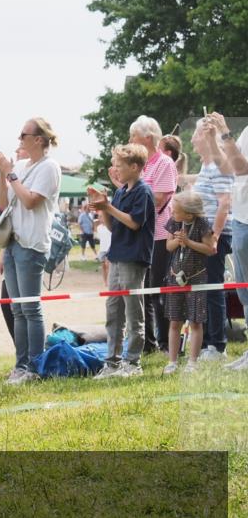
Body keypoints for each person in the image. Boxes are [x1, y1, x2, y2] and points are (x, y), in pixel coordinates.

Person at [0, 118, 62, 383]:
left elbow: (31, 201)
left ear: (39, 139)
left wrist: (10, 174)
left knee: (31, 308)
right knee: (17, 309)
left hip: (32, 244)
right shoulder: (19, 166)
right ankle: (21, 365)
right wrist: (2, 173)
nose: (19, 139)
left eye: (24, 134)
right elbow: (3, 203)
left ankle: (35, 366)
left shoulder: (50, 167)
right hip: (12, 242)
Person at [89, 144, 155, 379]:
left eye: (119, 165)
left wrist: (109, 207)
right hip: (116, 256)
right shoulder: (120, 192)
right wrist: (102, 209)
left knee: (133, 312)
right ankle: (112, 362)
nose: (115, 169)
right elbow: (112, 226)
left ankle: (133, 362)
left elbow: (135, 223)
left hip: (134, 258)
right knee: (113, 311)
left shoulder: (144, 192)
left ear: (135, 167)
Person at [123, 116, 176, 353]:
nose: (130, 141)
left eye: (133, 136)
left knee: (159, 290)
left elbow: (160, 198)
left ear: (147, 138)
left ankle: (165, 342)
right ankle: (147, 342)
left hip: (162, 234)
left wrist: (136, 193)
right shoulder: (139, 165)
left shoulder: (165, 163)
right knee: (141, 290)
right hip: (141, 235)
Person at [206, 111, 248, 370]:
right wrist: (213, 139)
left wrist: (224, 132)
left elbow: (242, 167)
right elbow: (228, 166)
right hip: (242, 217)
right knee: (244, 292)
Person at [190, 120, 233, 361]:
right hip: (202, 235)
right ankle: (206, 342)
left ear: (206, 138)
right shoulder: (205, 167)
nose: (193, 140)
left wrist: (214, 237)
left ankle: (218, 345)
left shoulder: (217, 166)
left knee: (213, 289)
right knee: (204, 290)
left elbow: (224, 203)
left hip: (216, 235)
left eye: (196, 135)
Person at [163, 191, 217, 374]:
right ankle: (172, 361)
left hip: (197, 278)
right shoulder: (174, 222)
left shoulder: (203, 225)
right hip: (174, 276)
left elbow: (210, 249)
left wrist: (189, 242)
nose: (172, 214)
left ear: (189, 214)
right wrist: (178, 242)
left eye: (175, 211)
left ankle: (192, 362)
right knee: (174, 320)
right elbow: (168, 246)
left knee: (195, 322)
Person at [96, 210, 113, 286]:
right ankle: (105, 281)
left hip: (109, 248)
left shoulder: (109, 226)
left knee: (108, 265)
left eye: (101, 216)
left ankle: (109, 281)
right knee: (103, 266)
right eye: (99, 217)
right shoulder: (99, 227)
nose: (100, 218)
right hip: (102, 249)